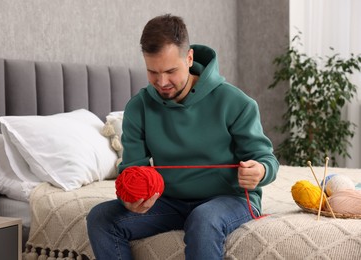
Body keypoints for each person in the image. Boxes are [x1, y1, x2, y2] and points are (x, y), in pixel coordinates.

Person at [87, 14, 279, 259]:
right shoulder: (139, 107)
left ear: (189, 59)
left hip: (230, 199)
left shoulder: (236, 102)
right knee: (101, 218)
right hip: (169, 202)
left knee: (204, 217)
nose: (162, 82)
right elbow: (132, 170)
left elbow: (267, 160)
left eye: (170, 71)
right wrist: (130, 199)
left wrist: (260, 171)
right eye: (153, 72)